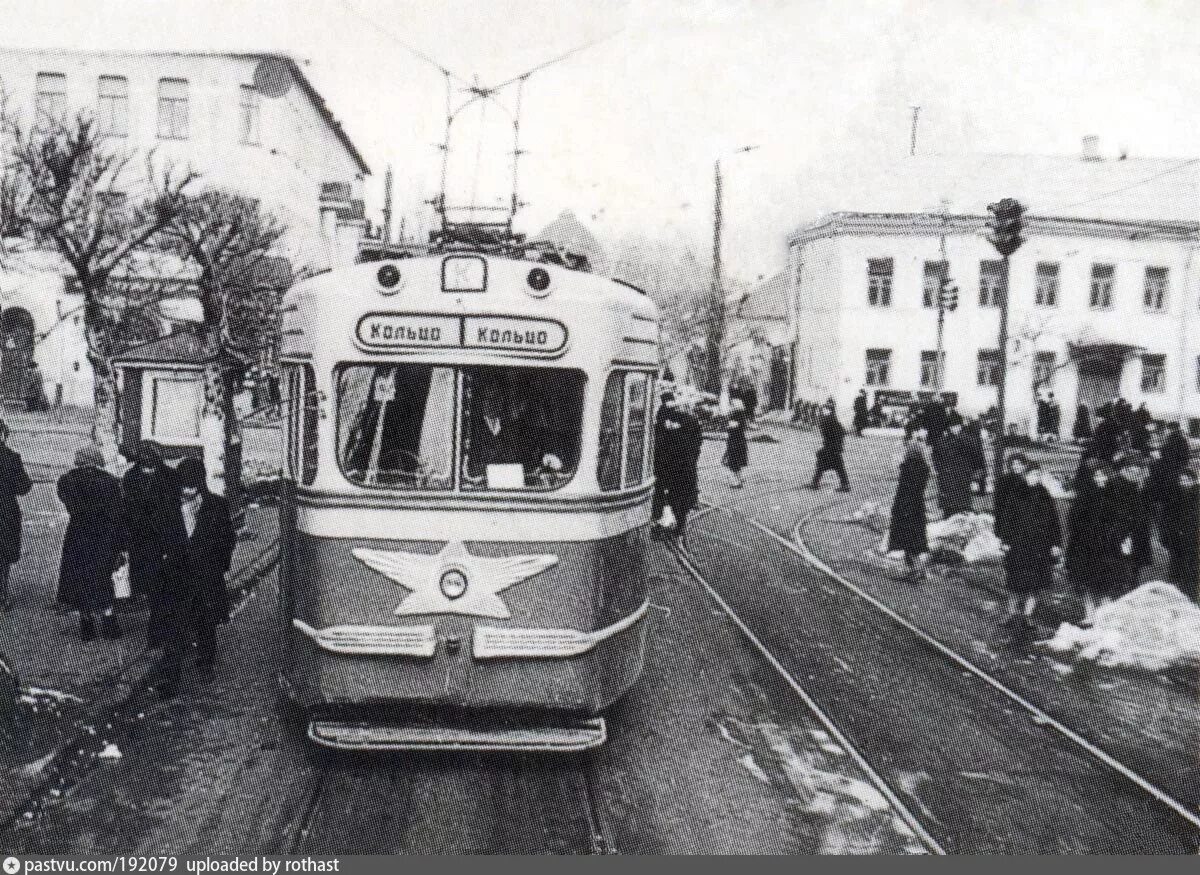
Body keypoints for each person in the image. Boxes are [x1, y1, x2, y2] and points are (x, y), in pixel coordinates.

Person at [154, 458, 235, 696]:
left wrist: (218, 567)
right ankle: (171, 677)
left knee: (205, 623)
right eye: (183, 485)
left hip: (206, 575)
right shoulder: (167, 506)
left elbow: (227, 539)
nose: (187, 490)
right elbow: (159, 538)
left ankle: (205, 663)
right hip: (176, 576)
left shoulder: (216, 505)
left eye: (192, 485)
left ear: (200, 483)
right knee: (174, 626)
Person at [56, 446, 126, 640]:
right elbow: (118, 513)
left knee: (80, 576)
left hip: (78, 535)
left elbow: (67, 501)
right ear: (97, 460)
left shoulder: (66, 481)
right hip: (103, 535)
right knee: (103, 575)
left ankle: (86, 624)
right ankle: (108, 622)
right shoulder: (110, 482)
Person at [122, 441, 182, 644]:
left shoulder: (170, 477)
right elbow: (128, 508)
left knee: (161, 585)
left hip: (163, 540)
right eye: (144, 464)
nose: (147, 468)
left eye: (151, 465)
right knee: (150, 586)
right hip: (142, 540)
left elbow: (172, 509)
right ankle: (160, 628)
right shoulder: (130, 477)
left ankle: (157, 632)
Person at [996, 460, 1062, 640]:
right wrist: (1005, 540)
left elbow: (1054, 522)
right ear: (1025, 476)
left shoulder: (1044, 495)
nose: (1035, 478)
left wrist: (1056, 543)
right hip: (1019, 545)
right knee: (1015, 582)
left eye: (1038, 475)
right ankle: (1011, 613)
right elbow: (1007, 518)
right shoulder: (1016, 494)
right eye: (1032, 474)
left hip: (1039, 546)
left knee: (1035, 584)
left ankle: (1027, 615)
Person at [1067, 463, 1126, 624]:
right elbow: (1074, 518)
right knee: (1087, 582)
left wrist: (1116, 535)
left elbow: (1121, 519)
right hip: (1086, 545)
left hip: (1107, 546)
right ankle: (1089, 615)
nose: (1100, 479)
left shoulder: (1115, 495)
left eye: (1104, 476)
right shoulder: (1086, 495)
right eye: (1097, 476)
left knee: (1105, 582)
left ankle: (1103, 616)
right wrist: (1082, 533)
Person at [653, 393, 703, 542]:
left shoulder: (665, 418)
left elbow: (660, 441)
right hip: (683, 467)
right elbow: (697, 445)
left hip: (669, 466)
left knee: (666, 496)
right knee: (680, 497)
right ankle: (677, 526)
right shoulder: (692, 421)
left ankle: (665, 524)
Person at [888, 428, 931, 582]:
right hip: (916, 507)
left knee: (909, 540)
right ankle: (917, 570)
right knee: (915, 540)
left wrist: (901, 509)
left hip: (907, 508)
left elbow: (905, 489)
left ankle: (916, 570)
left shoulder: (910, 468)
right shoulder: (922, 467)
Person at [1109, 452, 1154, 596]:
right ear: (1125, 469)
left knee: (1133, 574)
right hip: (1124, 538)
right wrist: (1124, 537)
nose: (1139, 474)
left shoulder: (1135, 486)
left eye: (1140, 471)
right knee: (1122, 575)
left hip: (1136, 536)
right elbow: (1118, 515)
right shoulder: (1118, 487)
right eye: (1135, 471)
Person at [0, 421, 32, 611]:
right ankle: (2, 597)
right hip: (5, 511)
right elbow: (24, 487)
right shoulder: (12, 458)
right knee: (3, 556)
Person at [933, 414, 983, 517]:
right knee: (948, 511)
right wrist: (940, 470)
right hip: (947, 480)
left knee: (962, 511)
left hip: (963, 479)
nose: (954, 428)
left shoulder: (969, 440)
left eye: (957, 426)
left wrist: (975, 478)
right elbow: (936, 456)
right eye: (951, 426)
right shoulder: (942, 440)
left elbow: (978, 459)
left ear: (961, 426)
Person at [1161, 468, 1198, 600]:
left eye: (1187, 480)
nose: (1183, 483)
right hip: (1177, 538)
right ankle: (1175, 591)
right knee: (1176, 564)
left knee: (1188, 567)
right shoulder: (1176, 495)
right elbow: (1168, 517)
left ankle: (1186, 593)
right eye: (1181, 480)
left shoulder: (1195, 496)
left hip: (1191, 538)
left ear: (1193, 481)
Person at [808, 402, 850, 492]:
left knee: (826, 465)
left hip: (831, 448)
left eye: (826, 410)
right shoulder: (832, 420)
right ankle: (815, 483)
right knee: (833, 466)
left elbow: (835, 434)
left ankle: (815, 483)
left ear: (830, 411)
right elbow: (840, 432)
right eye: (824, 410)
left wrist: (832, 445)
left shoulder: (829, 421)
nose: (824, 411)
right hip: (833, 448)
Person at [723, 398, 749, 488]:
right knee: (737, 462)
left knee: (733, 462)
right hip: (738, 441)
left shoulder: (736, 415)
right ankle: (740, 478)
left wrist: (728, 425)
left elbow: (732, 427)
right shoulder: (740, 415)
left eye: (732, 405)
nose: (730, 407)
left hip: (735, 442)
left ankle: (736, 482)